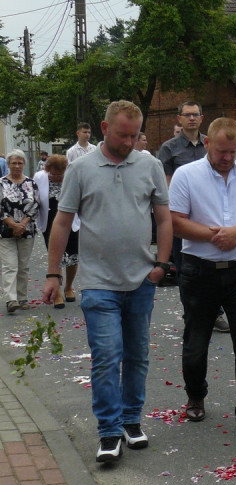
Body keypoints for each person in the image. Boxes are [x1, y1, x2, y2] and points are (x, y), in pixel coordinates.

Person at [41, 100, 172, 464]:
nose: (129, 142)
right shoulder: (81, 169)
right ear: (104, 128)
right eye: (122, 135)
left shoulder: (150, 165)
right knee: (106, 356)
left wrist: (161, 265)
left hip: (141, 279)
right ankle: (109, 431)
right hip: (98, 281)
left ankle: (131, 420)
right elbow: (62, 222)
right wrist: (53, 273)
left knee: (137, 356)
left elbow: (164, 218)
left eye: (134, 135)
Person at [169, 117, 236, 440]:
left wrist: (235, 234)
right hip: (199, 269)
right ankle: (196, 395)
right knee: (196, 341)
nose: (227, 157)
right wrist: (215, 237)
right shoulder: (186, 175)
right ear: (207, 144)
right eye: (221, 151)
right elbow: (176, 222)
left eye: (233, 151)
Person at [158, 101, 228, 332]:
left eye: (195, 115)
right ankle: (192, 312)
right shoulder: (169, 149)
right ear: (179, 118)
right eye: (187, 115)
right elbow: (166, 185)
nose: (191, 118)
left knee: (216, 266)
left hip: (212, 214)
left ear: (201, 118)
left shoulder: (211, 143)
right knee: (186, 269)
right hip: (183, 217)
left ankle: (216, 313)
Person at [34, 155, 80, 308]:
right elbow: (35, 198)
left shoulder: (72, 176)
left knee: (73, 255)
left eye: (60, 174)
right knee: (56, 255)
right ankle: (57, 292)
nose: (57, 177)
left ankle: (69, 287)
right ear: (48, 170)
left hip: (71, 220)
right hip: (50, 221)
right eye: (53, 174)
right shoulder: (39, 177)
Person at [1, 150, 42, 314]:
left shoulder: (31, 183)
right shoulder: (1, 183)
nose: (17, 166)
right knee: (10, 266)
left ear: (24, 164)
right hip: (5, 231)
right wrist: (13, 225)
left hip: (27, 230)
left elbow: (36, 205)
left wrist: (22, 224)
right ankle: (11, 300)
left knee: (23, 266)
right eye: (14, 163)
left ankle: (22, 297)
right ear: (8, 165)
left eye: (20, 163)